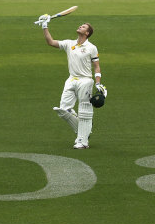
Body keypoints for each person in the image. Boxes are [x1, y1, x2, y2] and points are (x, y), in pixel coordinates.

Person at [37, 15, 105, 149]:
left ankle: (82, 141)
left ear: (87, 33)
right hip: (71, 79)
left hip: (85, 80)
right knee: (63, 109)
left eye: (84, 26)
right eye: (81, 25)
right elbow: (51, 42)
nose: (81, 26)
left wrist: (98, 82)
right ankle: (84, 130)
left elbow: (96, 66)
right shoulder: (69, 43)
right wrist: (45, 26)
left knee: (84, 110)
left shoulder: (91, 47)